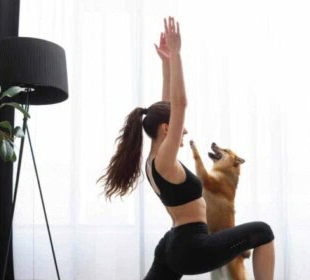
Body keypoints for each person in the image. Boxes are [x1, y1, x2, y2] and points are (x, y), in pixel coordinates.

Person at [97, 16, 275, 280]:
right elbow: (179, 105)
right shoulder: (165, 161)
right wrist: (178, 55)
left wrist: (166, 63)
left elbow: (168, 106)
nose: (184, 133)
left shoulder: (155, 160)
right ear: (166, 130)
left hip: (172, 245)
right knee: (263, 232)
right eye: (179, 129)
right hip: (192, 247)